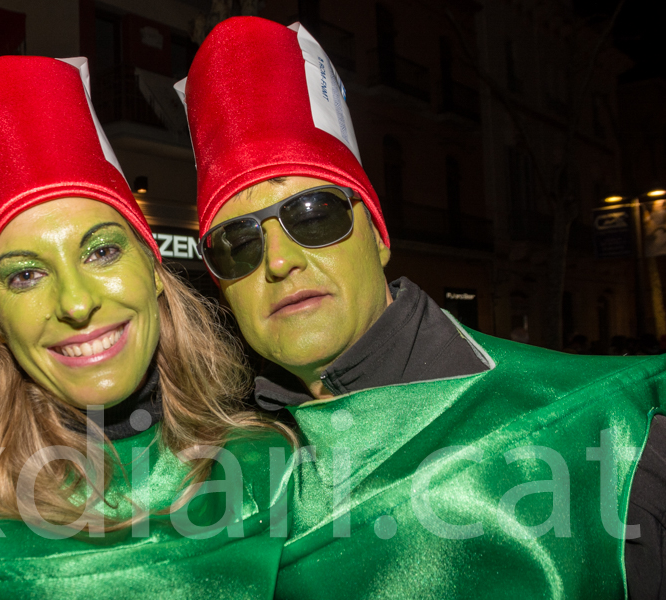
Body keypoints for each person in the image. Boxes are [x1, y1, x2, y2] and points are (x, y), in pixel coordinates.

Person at [178, 17, 666, 599]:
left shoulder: (609, 434)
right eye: (237, 245)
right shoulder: (223, 478)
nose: (279, 261)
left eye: (314, 214)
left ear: (379, 236)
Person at [0, 56, 292, 599]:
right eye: (26, 275)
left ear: (154, 272)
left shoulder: (282, 476)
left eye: (103, 250)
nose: (76, 303)